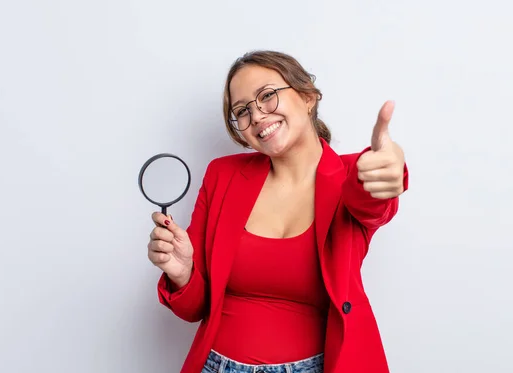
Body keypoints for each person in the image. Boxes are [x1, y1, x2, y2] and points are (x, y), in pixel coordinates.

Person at [147, 50, 409, 373]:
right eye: (242, 110)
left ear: (307, 97)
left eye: (267, 96)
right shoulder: (222, 176)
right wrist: (182, 272)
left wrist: (390, 165)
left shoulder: (351, 175)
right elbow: (195, 307)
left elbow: (374, 203)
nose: (255, 116)